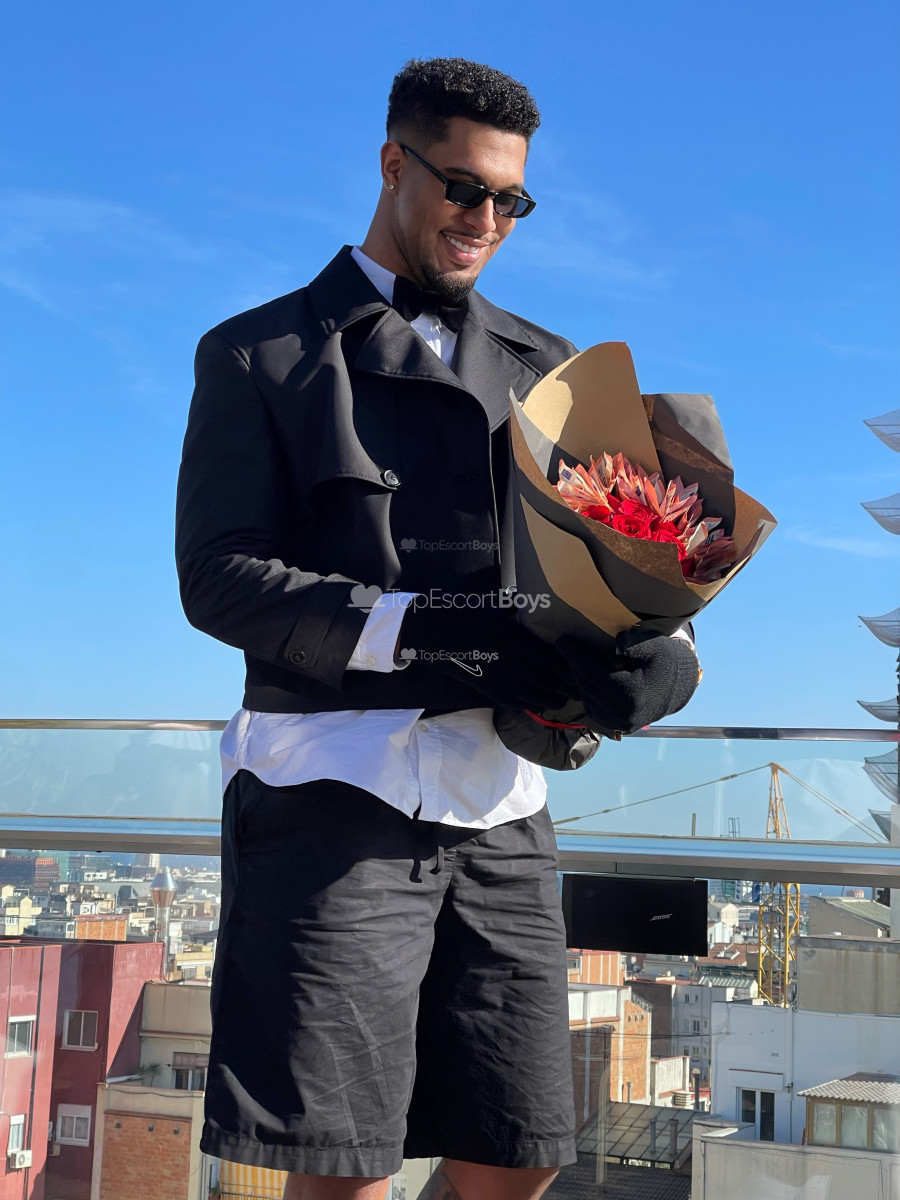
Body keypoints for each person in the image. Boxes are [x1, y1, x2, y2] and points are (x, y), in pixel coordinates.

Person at [175, 57, 700, 1200]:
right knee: (342, 1173)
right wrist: (432, 631)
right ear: (391, 163)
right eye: (464, 188)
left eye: (512, 200)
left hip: (503, 813)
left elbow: (631, 551)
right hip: (328, 806)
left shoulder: (555, 371)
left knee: (522, 1154)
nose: (486, 220)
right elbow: (218, 580)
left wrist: (663, 663)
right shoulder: (258, 354)